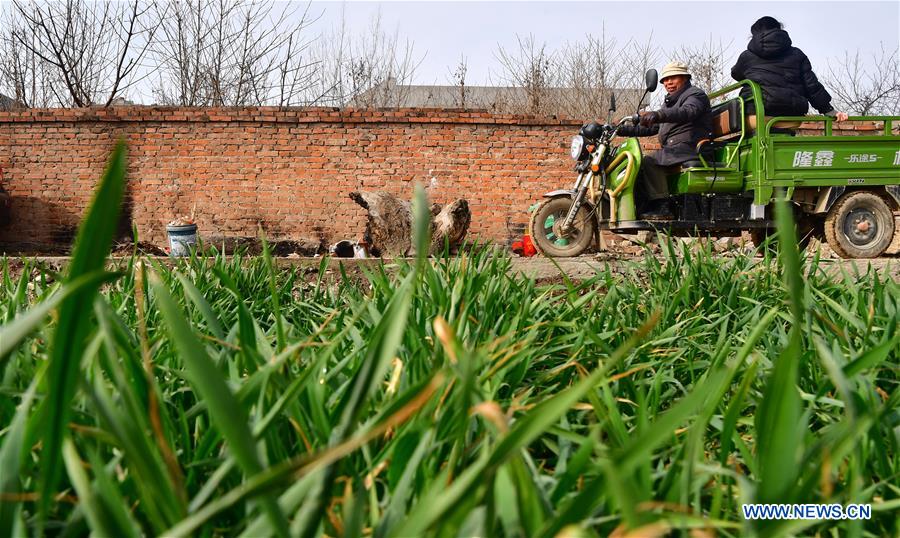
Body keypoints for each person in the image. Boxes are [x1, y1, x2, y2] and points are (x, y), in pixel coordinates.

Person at [618, 61, 713, 218]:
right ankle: (643, 209)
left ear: (685, 78)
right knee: (638, 167)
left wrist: (659, 115)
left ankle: (662, 207)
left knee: (649, 161)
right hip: (675, 149)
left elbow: (688, 112)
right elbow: (652, 128)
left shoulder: (695, 95)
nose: (668, 82)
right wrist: (621, 129)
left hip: (691, 147)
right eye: (665, 80)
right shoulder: (670, 103)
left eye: (673, 78)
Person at [731, 16, 848, 122]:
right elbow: (812, 86)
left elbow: (736, 74)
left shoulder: (747, 56)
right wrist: (828, 110)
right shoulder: (797, 54)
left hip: (756, 112)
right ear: (779, 30)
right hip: (791, 114)